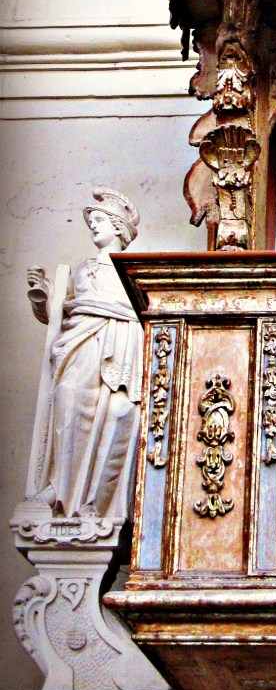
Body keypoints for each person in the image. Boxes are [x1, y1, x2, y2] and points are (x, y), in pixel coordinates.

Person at [26, 187, 142, 519]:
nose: (93, 225)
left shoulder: (132, 272)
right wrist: (42, 295)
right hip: (79, 344)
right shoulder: (80, 270)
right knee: (68, 402)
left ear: (118, 227)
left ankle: (93, 500)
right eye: (91, 221)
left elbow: (139, 312)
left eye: (100, 220)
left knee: (115, 414)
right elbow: (58, 315)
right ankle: (59, 489)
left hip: (117, 343)